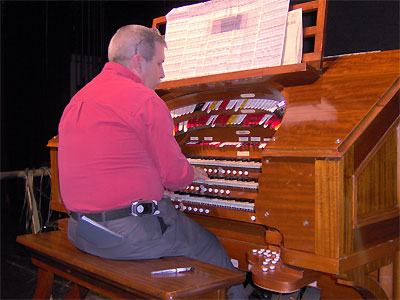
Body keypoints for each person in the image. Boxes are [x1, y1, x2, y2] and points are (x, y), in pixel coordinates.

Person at [58, 25, 246, 299]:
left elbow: (114, 162)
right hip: (125, 236)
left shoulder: (78, 99)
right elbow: (175, 177)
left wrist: (150, 185)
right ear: (138, 61)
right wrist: (192, 172)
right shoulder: (144, 99)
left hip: (81, 231)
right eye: (159, 63)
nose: (163, 73)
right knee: (211, 249)